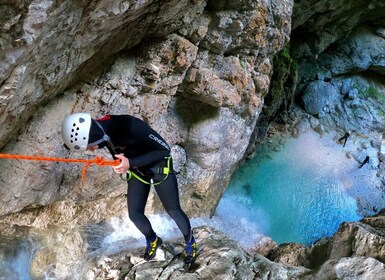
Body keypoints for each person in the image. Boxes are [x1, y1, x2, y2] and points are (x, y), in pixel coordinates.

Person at [61, 113, 197, 264]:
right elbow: (114, 149)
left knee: (173, 211)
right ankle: (153, 240)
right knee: (135, 214)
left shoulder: (130, 126)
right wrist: (120, 164)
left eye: (89, 146)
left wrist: (130, 163)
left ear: (93, 135)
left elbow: (164, 150)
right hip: (138, 169)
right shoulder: (103, 132)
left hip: (159, 165)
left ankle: (190, 242)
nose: (92, 150)